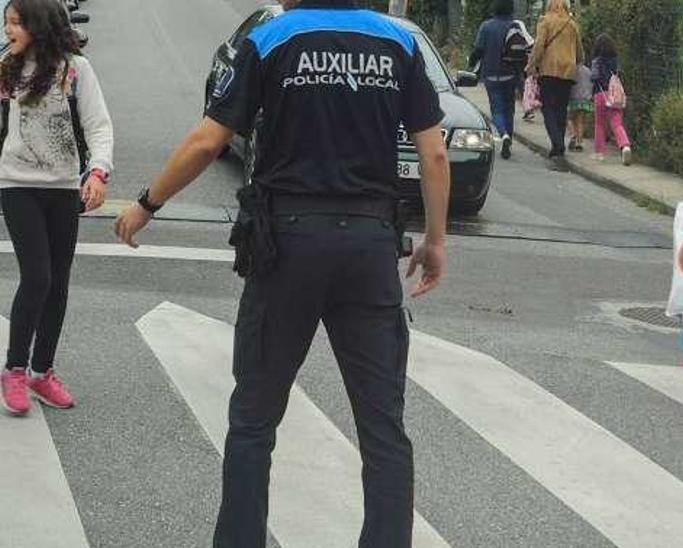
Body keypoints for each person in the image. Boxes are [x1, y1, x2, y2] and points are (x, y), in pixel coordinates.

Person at [112, 1, 450, 546]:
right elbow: (432, 154)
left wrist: (147, 203)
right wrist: (434, 241)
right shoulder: (400, 44)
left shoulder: (274, 38)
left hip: (287, 245)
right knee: (383, 428)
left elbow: (208, 140)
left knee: (253, 420)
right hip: (368, 247)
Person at [0, 0, 111, 416]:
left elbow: (99, 124)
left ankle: (41, 372)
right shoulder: (6, 68)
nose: (9, 30)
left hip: (63, 187)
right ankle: (13, 370)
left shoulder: (74, 69)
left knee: (58, 281)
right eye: (6, 23)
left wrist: (98, 172)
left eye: (15, 23)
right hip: (16, 185)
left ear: (38, 25)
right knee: (38, 276)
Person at [525, 0, 581, 172]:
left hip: (549, 70)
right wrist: (576, 61)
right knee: (561, 109)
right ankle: (558, 148)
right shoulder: (572, 24)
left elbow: (539, 46)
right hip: (567, 72)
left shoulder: (545, 21)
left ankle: (557, 144)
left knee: (548, 108)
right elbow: (579, 50)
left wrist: (531, 65)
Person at [469, 0, 523, 159]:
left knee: (496, 108)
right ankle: (509, 139)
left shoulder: (486, 26)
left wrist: (471, 63)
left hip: (491, 74)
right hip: (511, 73)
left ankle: (503, 134)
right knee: (509, 109)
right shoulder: (515, 26)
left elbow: (478, 49)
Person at [589, 34, 631, 165]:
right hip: (615, 94)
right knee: (617, 123)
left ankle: (599, 152)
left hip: (600, 94)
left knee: (600, 123)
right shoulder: (615, 61)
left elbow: (594, 77)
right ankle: (625, 146)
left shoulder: (597, 61)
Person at [567, 62, 591, 152]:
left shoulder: (571, 70)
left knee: (569, 118)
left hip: (574, 98)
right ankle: (579, 142)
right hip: (585, 99)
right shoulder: (588, 70)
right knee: (580, 121)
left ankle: (573, 134)